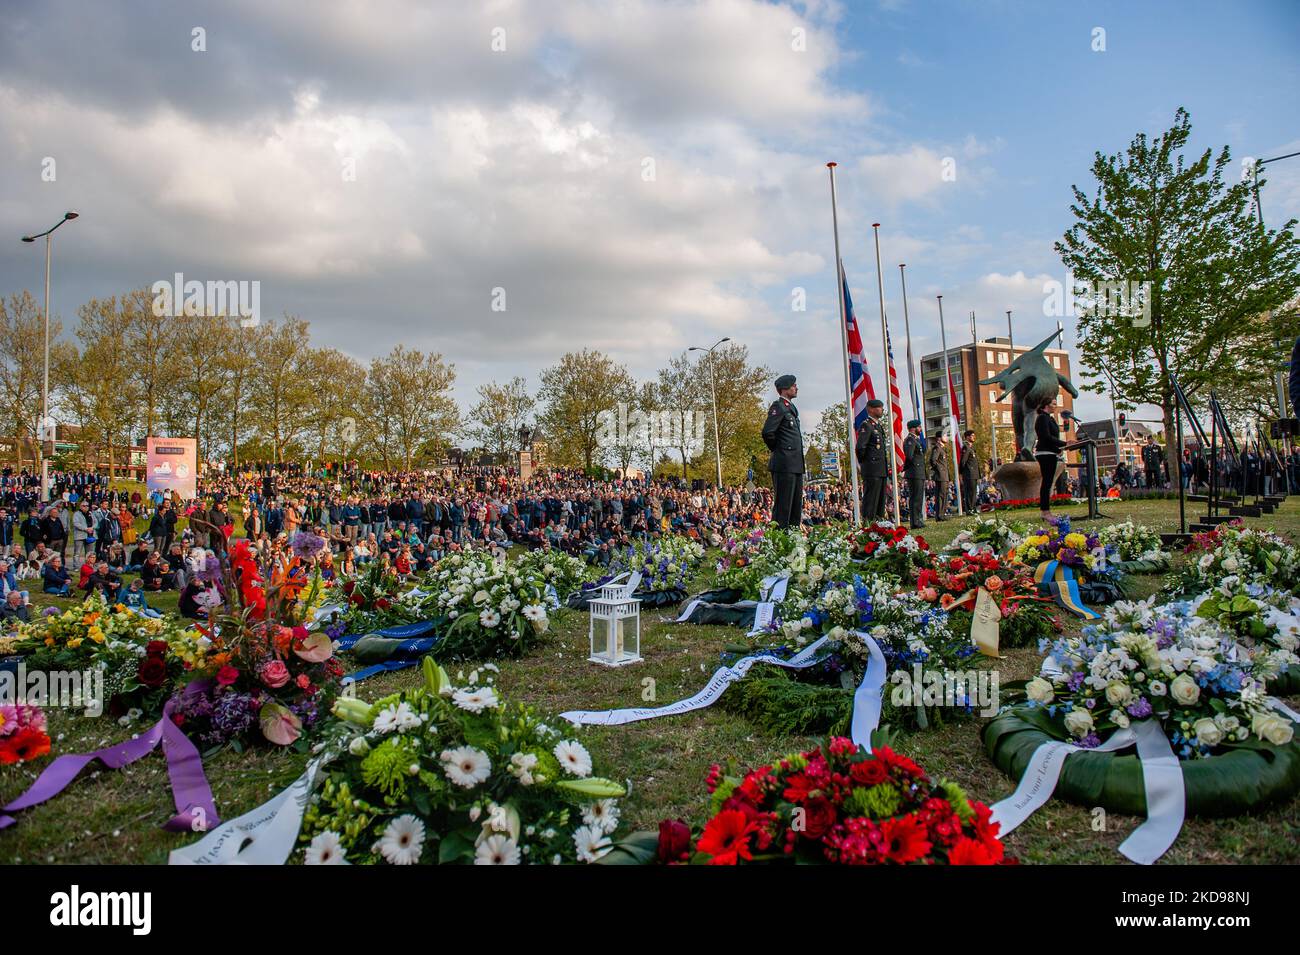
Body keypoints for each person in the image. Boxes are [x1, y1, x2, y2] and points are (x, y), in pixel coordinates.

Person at [761, 374, 805, 528]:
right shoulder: (778, 407)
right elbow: (768, 432)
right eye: (793, 385)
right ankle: (780, 541)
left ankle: (793, 538)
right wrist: (780, 450)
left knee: (795, 506)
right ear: (785, 389)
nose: (796, 388)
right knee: (783, 507)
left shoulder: (791, 409)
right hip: (784, 464)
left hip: (796, 464)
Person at [1034, 397, 1068, 519]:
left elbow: (1050, 438)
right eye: (1054, 404)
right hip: (1045, 453)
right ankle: (1045, 512)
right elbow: (1046, 437)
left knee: (1048, 483)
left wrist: (1058, 449)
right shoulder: (1043, 418)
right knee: (1047, 483)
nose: (1056, 406)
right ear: (1046, 405)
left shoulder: (1048, 418)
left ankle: (1046, 511)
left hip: (1050, 452)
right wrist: (1064, 444)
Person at [856, 399, 888, 521]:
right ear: (870, 409)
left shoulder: (878, 426)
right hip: (872, 469)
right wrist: (866, 464)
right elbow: (860, 448)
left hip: (880, 469)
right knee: (871, 499)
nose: (882, 409)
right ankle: (868, 524)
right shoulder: (867, 425)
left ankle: (879, 524)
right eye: (879, 407)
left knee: (880, 499)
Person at [901, 419, 926, 528]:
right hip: (914, 472)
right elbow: (909, 456)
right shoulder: (910, 440)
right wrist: (909, 468)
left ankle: (918, 520)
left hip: (919, 472)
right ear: (913, 428)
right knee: (915, 498)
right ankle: (915, 522)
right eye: (919, 427)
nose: (920, 429)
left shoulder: (916, 440)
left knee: (919, 498)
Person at [929, 431, 951, 522]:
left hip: (944, 476)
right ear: (939, 438)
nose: (946, 437)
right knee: (941, 495)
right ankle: (940, 515)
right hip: (940, 475)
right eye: (944, 436)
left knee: (944, 495)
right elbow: (933, 460)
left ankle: (942, 514)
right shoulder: (937, 448)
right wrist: (940, 470)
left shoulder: (942, 448)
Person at [960, 430, 979, 514]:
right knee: (969, 492)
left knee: (974, 492)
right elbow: (963, 461)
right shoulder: (966, 447)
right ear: (967, 437)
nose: (973, 437)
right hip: (969, 473)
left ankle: (973, 508)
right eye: (972, 435)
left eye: (974, 435)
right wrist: (962, 472)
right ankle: (969, 509)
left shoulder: (971, 448)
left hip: (974, 473)